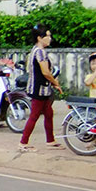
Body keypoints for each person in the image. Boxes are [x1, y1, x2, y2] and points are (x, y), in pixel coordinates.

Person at [18, 24, 64, 152]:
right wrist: (56, 83)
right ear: (39, 38)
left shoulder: (35, 50)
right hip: (39, 89)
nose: (50, 38)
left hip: (42, 88)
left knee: (49, 113)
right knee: (34, 115)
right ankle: (23, 142)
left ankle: (50, 140)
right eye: (47, 36)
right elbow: (46, 72)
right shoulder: (40, 52)